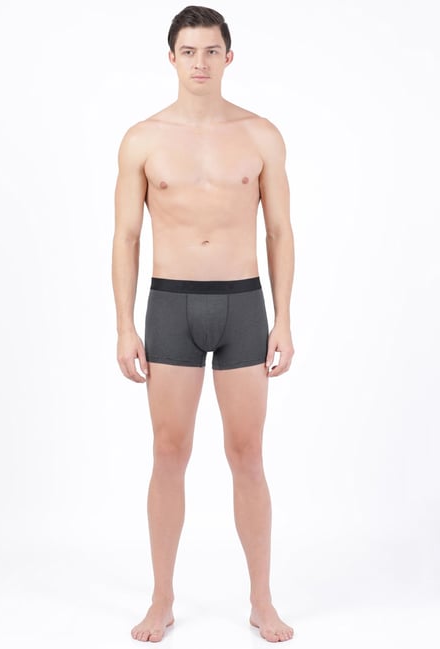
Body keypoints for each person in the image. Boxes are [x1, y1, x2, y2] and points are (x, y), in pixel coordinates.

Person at [112, 5, 295, 643]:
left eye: (211, 51)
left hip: (243, 304)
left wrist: (284, 319)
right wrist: (124, 326)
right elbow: (127, 237)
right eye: (188, 51)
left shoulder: (260, 135)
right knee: (169, 452)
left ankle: (262, 601)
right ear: (171, 57)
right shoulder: (143, 139)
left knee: (248, 454)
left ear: (228, 57)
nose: (200, 62)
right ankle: (161, 598)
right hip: (170, 304)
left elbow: (279, 231)